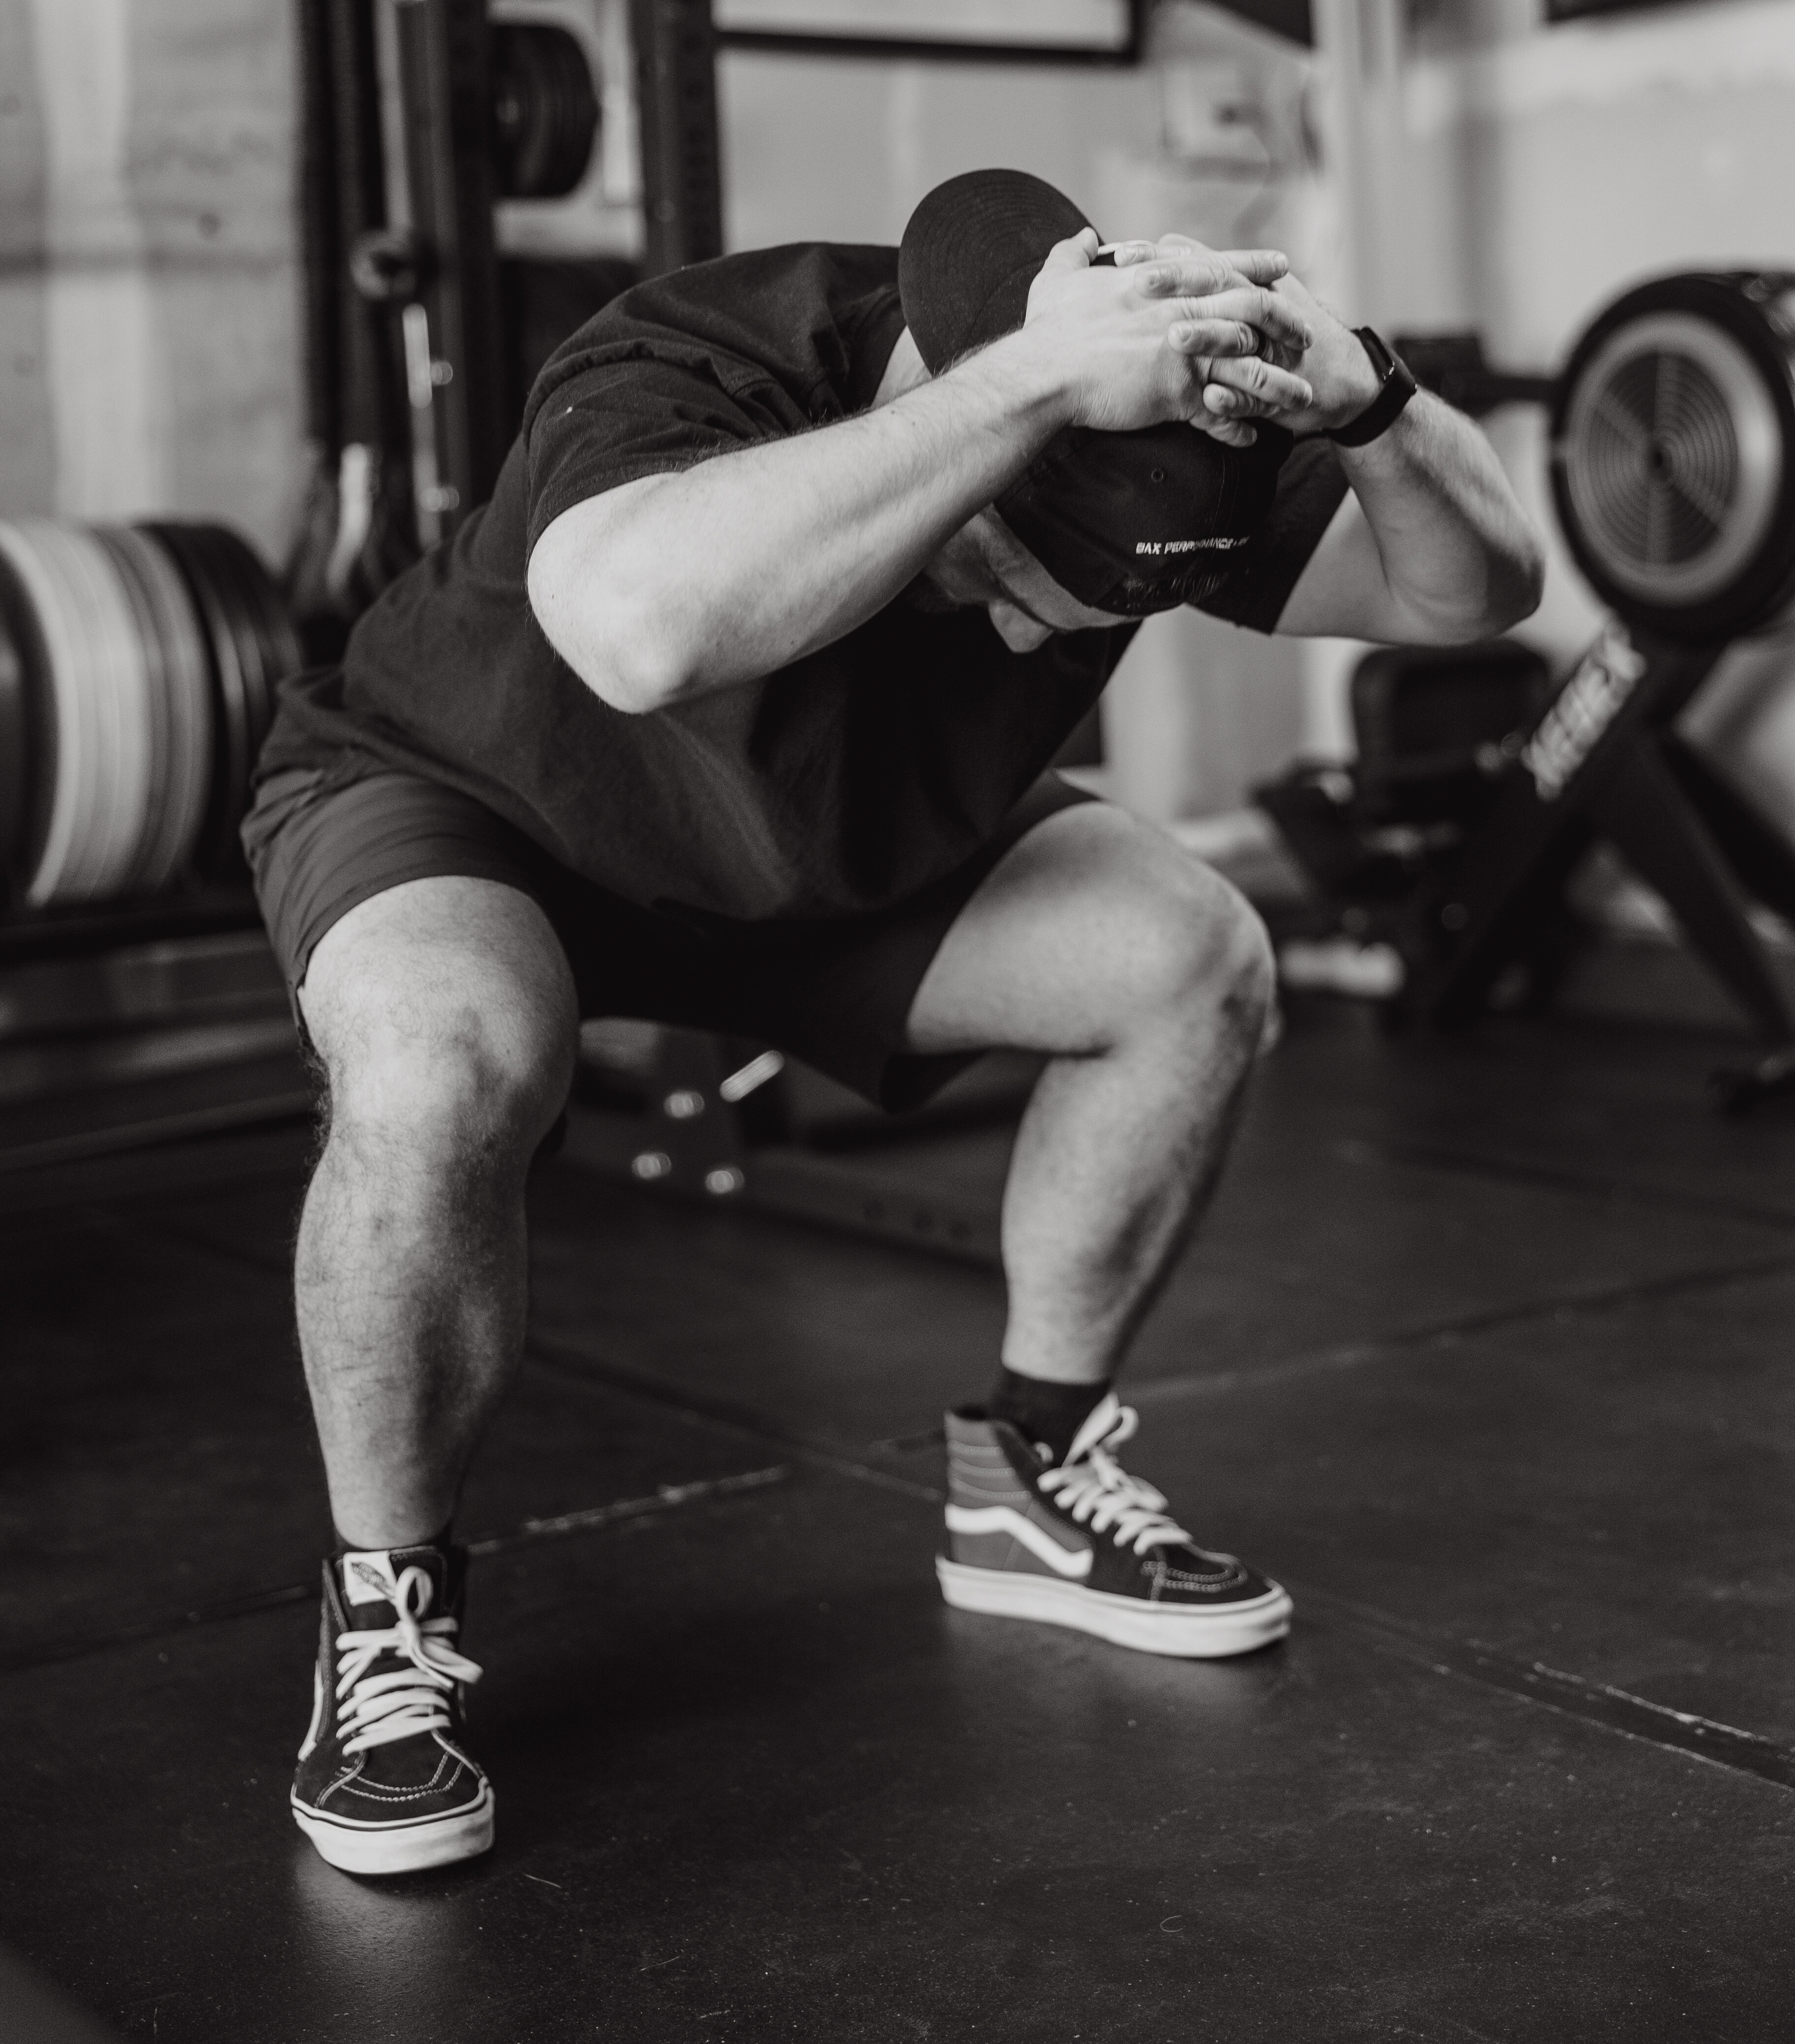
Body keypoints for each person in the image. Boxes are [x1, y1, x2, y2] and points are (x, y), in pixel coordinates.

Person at [246, 167, 1543, 1876]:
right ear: (958, 390)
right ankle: (386, 1624)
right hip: (490, 808)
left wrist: (1372, 399)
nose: (1027, 633)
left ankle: (1026, 1472)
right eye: (1007, 580)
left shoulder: (1163, 431)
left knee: (1189, 957)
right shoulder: (712, 350)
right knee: (438, 1061)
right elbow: (641, 636)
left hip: (824, 853)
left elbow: (1474, 595)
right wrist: (1028, 385)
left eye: (1082, 620)